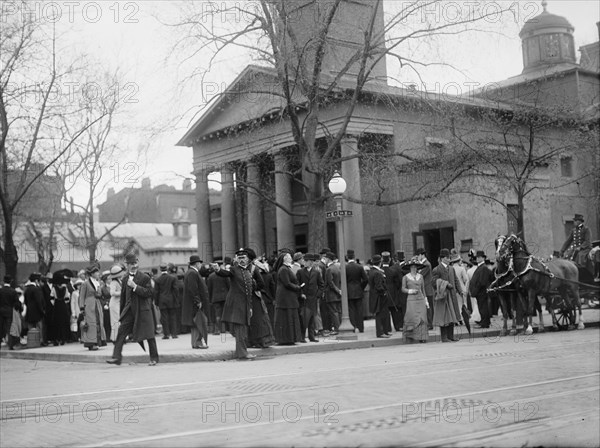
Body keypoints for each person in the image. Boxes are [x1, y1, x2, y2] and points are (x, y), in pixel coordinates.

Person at [107, 252, 159, 366]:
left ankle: (154, 358)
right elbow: (124, 297)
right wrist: (122, 312)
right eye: (131, 264)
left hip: (143, 310)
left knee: (149, 335)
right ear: (127, 265)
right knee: (121, 333)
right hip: (130, 311)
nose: (134, 265)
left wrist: (135, 287)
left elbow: (149, 293)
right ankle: (116, 357)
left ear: (138, 263)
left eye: (135, 263)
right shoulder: (125, 279)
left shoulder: (145, 277)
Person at [213, 248, 264, 360]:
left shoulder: (248, 271)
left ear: (248, 259)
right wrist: (217, 269)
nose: (241, 260)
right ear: (236, 259)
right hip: (236, 304)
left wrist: (250, 307)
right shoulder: (234, 269)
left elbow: (251, 289)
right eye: (239, 258)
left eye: (243, 258)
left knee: (243, 329)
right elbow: (225, 273)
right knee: (240, 329)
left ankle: (241, 352)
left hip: (245, 304)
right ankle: (242, 353)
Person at [431, 248, 462, 342]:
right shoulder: (436, 269)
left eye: (449, 258)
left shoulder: (451, 269)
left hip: (452, 296)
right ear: (442, 258)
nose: (449, 260)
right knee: (444, 317)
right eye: (448, 258)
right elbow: (433, 282)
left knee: (452, 316)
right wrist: (445, 284)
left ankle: (451, 336)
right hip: (443, 296)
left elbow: (456, 280)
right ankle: (444, 337)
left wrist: (460, 291)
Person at [273, 250, 302, 344]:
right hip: (285, 297)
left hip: (288, 296)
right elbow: (287, 283)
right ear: (285, 259)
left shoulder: (286, 268)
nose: (291, 258)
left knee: (289, 317)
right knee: (287, 317)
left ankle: (290, 338)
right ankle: (286, 339)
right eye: (289, 257)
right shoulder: (283, 269)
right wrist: (298, 287)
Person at [181, 255, 210, 349]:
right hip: (196, 303)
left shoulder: (190, 272)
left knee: (195, 323)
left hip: (192, 302)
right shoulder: (193, 273)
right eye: (200, 263)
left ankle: (195, 342)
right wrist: (198, 301)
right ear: (197, 263)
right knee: (199, 322)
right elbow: (193, 288)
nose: (201, 265)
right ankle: (198, 342)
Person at [297, 253, 324, 342]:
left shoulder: (316, 272)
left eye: (311, 261)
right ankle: (302, 336)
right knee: (303, 317)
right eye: (308, 261)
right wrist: (301, 293)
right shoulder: (300, 272)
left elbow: (321, 285)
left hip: (313, 298)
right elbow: (297, 284)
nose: (310, 263)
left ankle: (311, 337)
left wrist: (317, 295)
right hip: (304, 298)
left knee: (312, 317)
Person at [401, 257, 429, 343]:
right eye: (412, 267)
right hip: (411, 300)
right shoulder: (405, 277)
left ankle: (422, 337)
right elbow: (403, 288)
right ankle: (410, 336)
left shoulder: (420, 276)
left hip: (420, 299)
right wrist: (410, 291)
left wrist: (426, 300)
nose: (414, 268)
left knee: (422, 317)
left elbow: (423, 289)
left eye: (415, 267)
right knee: (411, 317)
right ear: (409, 268)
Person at [79, 265, 106, 351]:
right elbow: (81, 296)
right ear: (92, 273)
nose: (98, 274)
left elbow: (100, 294)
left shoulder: (98, 282)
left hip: (97, 304)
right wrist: (82, 308)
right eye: (96, 272)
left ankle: (98, 341)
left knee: (99, 322)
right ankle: (91, 343)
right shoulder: (85, 283)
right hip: (89, 305)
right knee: (91, 324)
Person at [368, 254, 393, 338]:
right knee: (380, 314)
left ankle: (385, 331)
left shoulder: (372, 271)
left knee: (383, 313)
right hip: (379, 296)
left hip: (375, 295)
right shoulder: (377, 273)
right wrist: (384, 292)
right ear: (380, 262)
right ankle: (381, 332)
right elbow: (379, 286)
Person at [469, 250, 494, 329]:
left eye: (479, 257)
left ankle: (485, 323)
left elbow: (482, 281)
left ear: (483, 258)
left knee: (483, 307)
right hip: (480, 291)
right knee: (482, 306)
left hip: (481, 291)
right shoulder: (481, 267)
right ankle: (484, 321)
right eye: (477, 257)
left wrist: (476, 289)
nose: (477, 259)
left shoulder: (483, 267)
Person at [154, 263, 180, 340]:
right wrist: (176, 299)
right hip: (171, 299)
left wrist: (156, 303)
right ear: (167, 269)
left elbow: (156, 292)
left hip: (162, 300)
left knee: (164, 318)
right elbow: (176, 290)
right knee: (173, 316)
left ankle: (166, 334)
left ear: (160, 269)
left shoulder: (158, 280)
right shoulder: (172, 278)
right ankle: (174, 334)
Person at [345, 249, 368, 333]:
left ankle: (353, 326)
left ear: (347, 257)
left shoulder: (345, 267)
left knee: (351, 310)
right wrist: (361, 287)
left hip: (349, 291)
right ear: (354, 257)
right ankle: (361, 327)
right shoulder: (359, 267)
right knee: (359, 310)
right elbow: (365, 279)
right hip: (358, 290)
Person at [207, 258, 230, 335]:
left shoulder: (211, 276)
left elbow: (209, 289)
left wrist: (210, 299)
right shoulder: (225, 275)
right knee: (225, 313)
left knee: (217, 314)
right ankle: (225, 329)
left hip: (215, 298)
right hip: (225, 297)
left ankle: (217, 329)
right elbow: (229, 286)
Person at [23, 273, 46, 345]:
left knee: (30, 328)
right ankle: (40, 341)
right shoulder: (36, 289)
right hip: (37, 312)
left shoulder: (27, 289)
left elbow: (26, 301)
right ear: (36, 281)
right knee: (39, 327)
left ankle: (31, 341)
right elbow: (38, 301)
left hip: (29, 311)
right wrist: (42, 311)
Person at [416, 248, 435, 330]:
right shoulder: (423, 264)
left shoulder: (426, 264)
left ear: (422, 255)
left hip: (427, 288)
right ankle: (428, 323)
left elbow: (420, 274)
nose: (417, 257)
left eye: (418, 255)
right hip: (425, 288)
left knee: (428, 306)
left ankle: (430, 324)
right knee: (426, 306)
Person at [324, 252, 342, 335]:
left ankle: (337, 329)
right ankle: (339, 327)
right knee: (338, 311)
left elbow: (330, 283)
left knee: (334, 312)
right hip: (338, 294)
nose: (325, 259)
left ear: (328, 259)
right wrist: (339, 290)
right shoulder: (337, 268)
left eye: (326, 258)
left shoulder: (329, 269)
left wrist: (336, 290)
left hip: (331, 294)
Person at [0, 276, 20, 349]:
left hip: (1, 311)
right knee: (9, 328)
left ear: (4, 281)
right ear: (10, 281)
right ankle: (10, 345)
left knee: (0, 328)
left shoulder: (1, 291)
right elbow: (17, 303)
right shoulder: (13, 291)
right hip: (9, 311)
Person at [108, 265, 125, 342]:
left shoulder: (119, 281)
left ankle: (121, 337)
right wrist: (122, 293)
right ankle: (116, 338)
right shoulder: (113, 282)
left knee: (120, 320)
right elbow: (112, 293)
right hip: (114, 303)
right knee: (116, 321)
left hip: (118, 302)